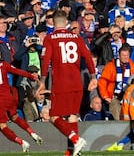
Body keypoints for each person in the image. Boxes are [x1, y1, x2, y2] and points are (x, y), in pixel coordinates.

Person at [39, 10, 97, 156]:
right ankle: (72, 152)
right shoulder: (76, 37)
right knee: (72, 115)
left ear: (53, 23)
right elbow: (88, 57)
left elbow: (45, 61)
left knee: (53, 116)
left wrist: (42, 81)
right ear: (66, 23)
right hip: (76, 82)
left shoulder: (50, 38)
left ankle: (76, 139)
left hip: (61, 83)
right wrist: (93, 77)